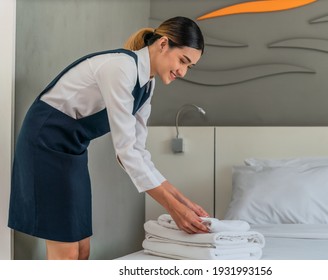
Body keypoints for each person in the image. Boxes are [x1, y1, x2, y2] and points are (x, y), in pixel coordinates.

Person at [8, 16, 210, 260]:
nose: (182, 71)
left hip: (73, 148)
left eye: (189, 66)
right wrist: (172, 208)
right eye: (182, 60)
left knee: (82, 250)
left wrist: (181, 200)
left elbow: (138, 150)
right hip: (44, 143)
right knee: (67, 252)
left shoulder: (147, 85)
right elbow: (125, 152)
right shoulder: (121, 68)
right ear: (163, 44)